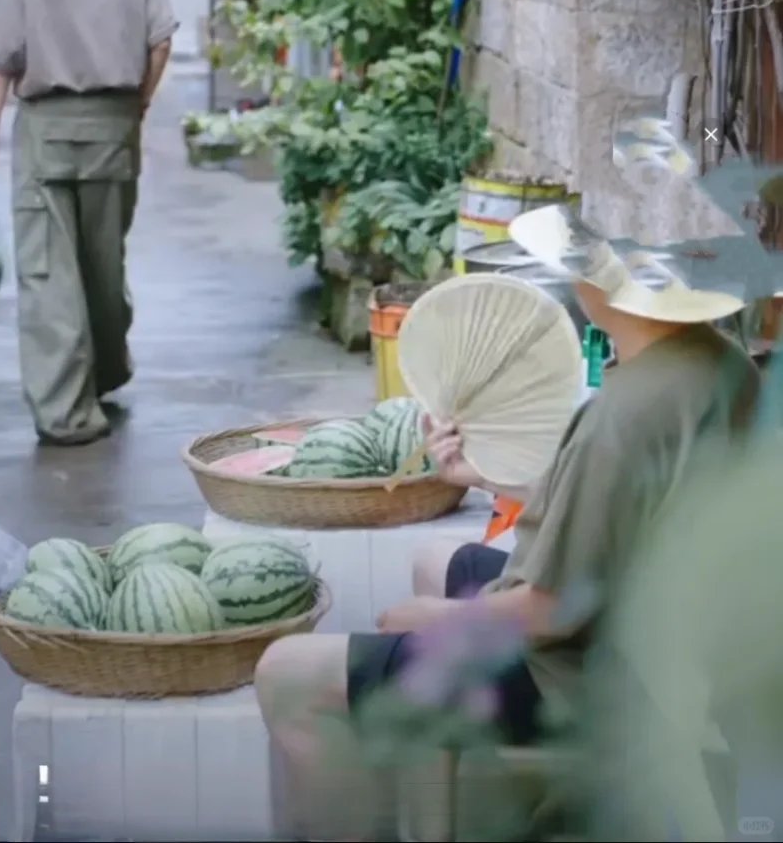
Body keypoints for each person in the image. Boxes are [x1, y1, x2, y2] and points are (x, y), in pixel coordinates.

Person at [254, 272, 760, 841]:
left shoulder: (623, 411)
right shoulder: (720, 360)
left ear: (608, 286)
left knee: (286, 671)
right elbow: (623, 497)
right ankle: (438, 818)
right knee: (434, 561)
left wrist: (445, 617)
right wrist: (478, 474)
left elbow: (556, 610)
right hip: (661, 635)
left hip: (603, 676)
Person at [0, 0, 177, 446]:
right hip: (115, 122)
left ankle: (67, 412)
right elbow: (161, 40)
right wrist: (139, 103)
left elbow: (4, 54)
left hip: (46, 127)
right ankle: (106, 372)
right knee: (103, 260)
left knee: (47, 270)